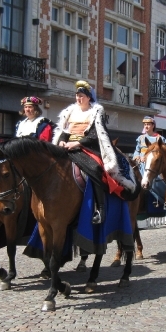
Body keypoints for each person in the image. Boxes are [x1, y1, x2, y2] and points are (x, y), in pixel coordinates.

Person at [53, 80, 138, 224]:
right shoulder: (70, 112)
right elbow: (64, 131)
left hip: (87, 147)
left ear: (88, 97)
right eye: (77, 96)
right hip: (67, 146)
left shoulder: (96, 112)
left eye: (81, 96)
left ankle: (100, 208)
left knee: (95, 168)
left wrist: (77, 143)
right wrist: (61, 140)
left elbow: (94, 135)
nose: (78, 99)